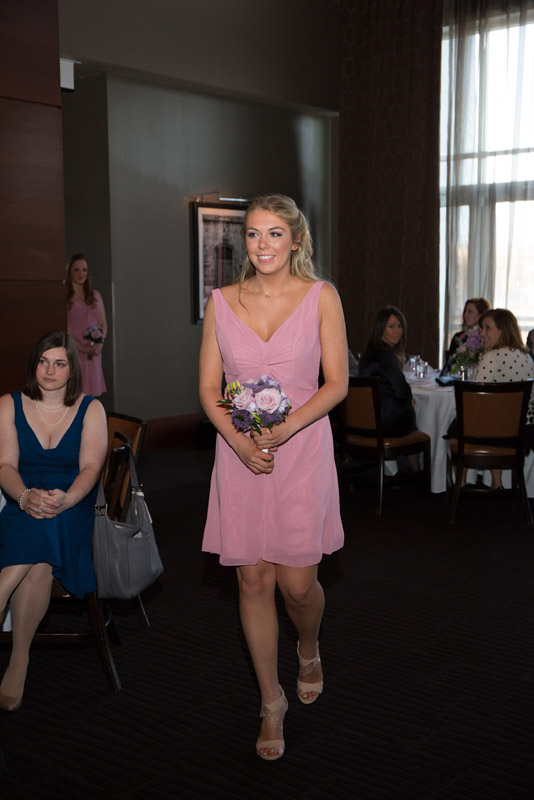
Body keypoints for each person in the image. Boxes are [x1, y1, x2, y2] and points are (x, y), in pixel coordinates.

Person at [199, 194, 347, 761]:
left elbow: (336, 383)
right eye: (254, 234)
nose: (263, 245)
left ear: (296, 240)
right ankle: (270, 701)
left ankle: (308, 644)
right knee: (253, 582)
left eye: (275, 234)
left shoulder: (321, 296)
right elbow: (208, 389)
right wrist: (240, 442)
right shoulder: (221, 302)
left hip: (302, 450)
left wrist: (285, 429)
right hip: (239, 454)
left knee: (298, 586)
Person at [0, 332, 107, 710]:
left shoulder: (91, 409)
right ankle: (20, 659)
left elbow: (91, 468)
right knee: (40, 559)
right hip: (21, 502)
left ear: (72, 369)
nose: (50, 370)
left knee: (49, 524)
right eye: (43, 362)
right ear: (34, 365)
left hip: (72, 505)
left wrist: (67, 500)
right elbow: (6, 466)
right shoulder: (9, 405)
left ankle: (1, 595)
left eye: (59, 363)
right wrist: (25, 497)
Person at [475, 308, 534, 489]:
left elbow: (476, 398)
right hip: (526, 430)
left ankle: (460, 487)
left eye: (487, 328)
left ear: (502, 330)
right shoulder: (527, 356)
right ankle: (497, 483)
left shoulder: (491, 357)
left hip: (499, 432)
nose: (482, 333)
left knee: (454, 429)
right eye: (482, 328)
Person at [358, 306, 416, 438]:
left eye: (399, 326)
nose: (397, 331)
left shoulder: (368, 354)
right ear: (380, 329)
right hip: (386, 424)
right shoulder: (386, 356)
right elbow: (403, 392)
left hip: (366, 422)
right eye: (391, 326)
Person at [66, 253, 107, 397]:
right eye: (76, 269)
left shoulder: (95, 295)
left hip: (94, 353)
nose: (81, 273)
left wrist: (99, 344)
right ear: (69, 271)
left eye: (84, 270)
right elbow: (65, 328)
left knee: (92, 397)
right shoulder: (65, 298)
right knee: (76, 394)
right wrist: (81, 347)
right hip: (75, 352)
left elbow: (102, 323)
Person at [445, 297, 491, 362]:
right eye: (465, 311)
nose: (465, 315)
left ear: (481, 315)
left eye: (470, 312)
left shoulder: (486, 338)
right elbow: (450, 363)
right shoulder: (458, 337)